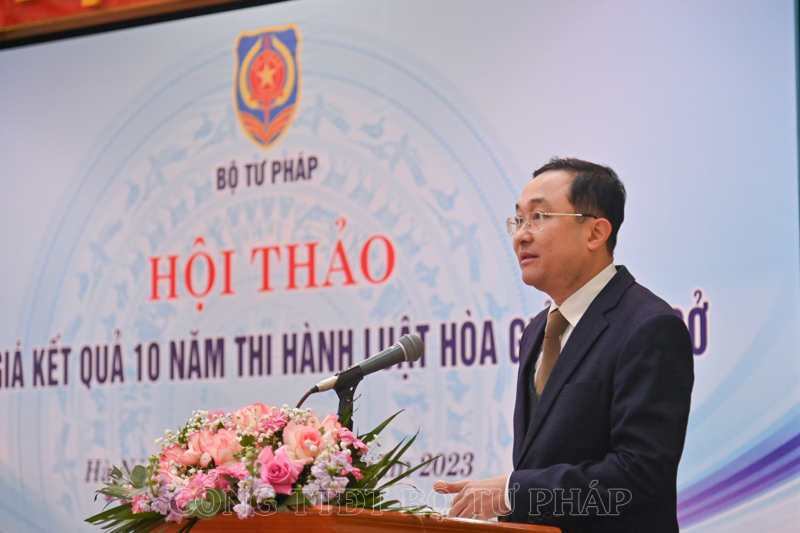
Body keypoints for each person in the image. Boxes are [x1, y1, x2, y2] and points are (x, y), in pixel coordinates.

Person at [434, 157, 694, 532]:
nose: (521, 236)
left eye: (538, 217)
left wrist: (513, 492)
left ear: (595, 233)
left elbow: (640, 476)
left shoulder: (648, 327)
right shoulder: (537, 331)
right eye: (518, 220)